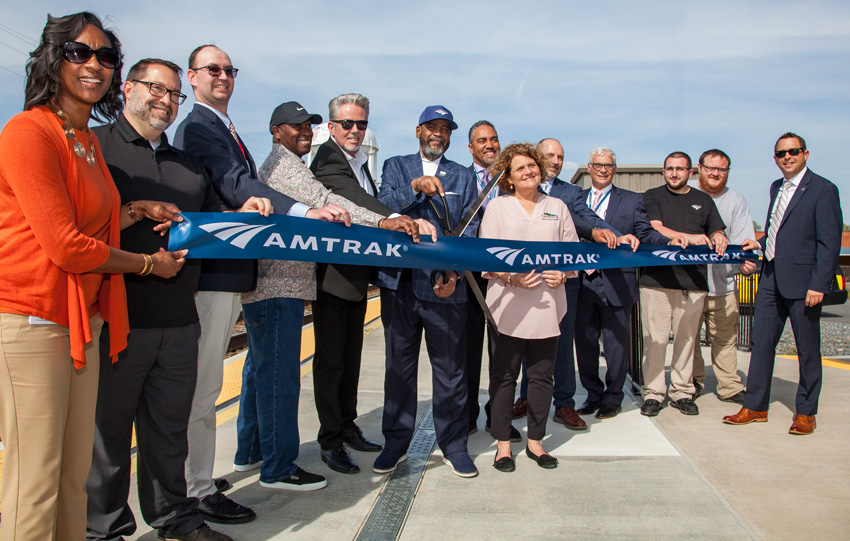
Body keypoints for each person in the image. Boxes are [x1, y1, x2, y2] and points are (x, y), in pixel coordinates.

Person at [0, 12, 183, 540]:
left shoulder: (81, 139)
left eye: (106, 56)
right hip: (33, 319)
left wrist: (135, 209)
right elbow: (66, 245)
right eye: (80, 52)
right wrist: (150, 264)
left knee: (71, 478)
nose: (94, 65)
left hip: (82, 321)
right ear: (54, 59)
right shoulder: (28, 132)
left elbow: (89, 221)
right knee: (34, 484)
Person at [86, 59, 269, 541]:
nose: (164, 101)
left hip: (179, 318)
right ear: (128, 88)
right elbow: (76, 226)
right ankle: (102, 529)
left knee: (168, 430)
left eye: (172, 96)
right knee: (106, 436)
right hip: (114, 318)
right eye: (155, 89)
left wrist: (242, 209)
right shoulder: (93, 147)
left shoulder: (186, 164)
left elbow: (214, 220)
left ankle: (175, 519)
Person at [173, 45, 350, 502]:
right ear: (191, 77)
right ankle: (273, 465)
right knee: (260, 377)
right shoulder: (200, 127)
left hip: (242, 277)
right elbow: (234, 182)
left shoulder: (222, 128)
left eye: (229, 70)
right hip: (248, 277)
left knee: (252, 372)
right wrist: (308, 211)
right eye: (212, 70)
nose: (223, 77)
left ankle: (246, 453)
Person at [236, 101, 421, 489]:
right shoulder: (288, 166)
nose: (305, 131)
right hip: (288, 281)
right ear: (276, 131)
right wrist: (387, 221)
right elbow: (330, 203)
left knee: (261, 370)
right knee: (285, 375)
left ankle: (251, 450)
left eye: (308, 125)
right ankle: (293, 457)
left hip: (305, 280)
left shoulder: (300, 164)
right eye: (296, 126)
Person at [309, 93, 434, 474]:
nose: (355, 130)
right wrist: (393, 218)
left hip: (356, 277)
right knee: (331, 361)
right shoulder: (328, 160)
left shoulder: (359, 161)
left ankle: (347, 427)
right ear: (331, 127)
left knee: (350, 358)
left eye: (361, 124)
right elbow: (355, 199)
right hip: (333, 276)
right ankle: (330, 440)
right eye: (347, 124)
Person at [373, 105, 479, 478]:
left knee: (451, 370)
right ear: (418, 130)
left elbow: (471, 227)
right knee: (398, 369)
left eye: (445, 129)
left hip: (445, 286)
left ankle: (453, 444)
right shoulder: (395, 166)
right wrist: (414, 188)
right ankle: (395, 444)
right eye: (431, 127)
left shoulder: (464, 176)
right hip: (399, 284)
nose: (438, 133)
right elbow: (380, 208)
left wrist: (454, 271)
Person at [724, 133, 842, 435]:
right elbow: (782, 230)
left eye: (793, 151)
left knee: (807, 349)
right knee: (760, 344)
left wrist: (819, 284)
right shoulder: (777, 187)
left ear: (805, 154)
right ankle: (755, 406)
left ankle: (805, 412)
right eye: (780, 153)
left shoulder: (823, 189)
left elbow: (829, 244)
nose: (786, 157)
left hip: (804, 284)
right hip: (770, 277)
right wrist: (759, 241)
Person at [480, 143, 578, 473]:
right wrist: (512, 278)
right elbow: (486, 257)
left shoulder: (558, 206)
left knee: (541, 378)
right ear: (507, 176)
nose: (528, 171)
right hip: (507, 304)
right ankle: (503, 446)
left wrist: (563, 272)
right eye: (520, 168)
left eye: (532, 165)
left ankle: (536, 441)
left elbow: (573, 254)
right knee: (504, 377)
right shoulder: (497, 208)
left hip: (546, 304)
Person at [515, 138, 621, 432]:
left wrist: (602, 229)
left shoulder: (571, 192)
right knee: (524, 339)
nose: (556, 161)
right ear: (537, 156)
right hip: (524, 279)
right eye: (550, 155)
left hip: (562, 280)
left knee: (561, 344)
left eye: (561, 157)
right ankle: (525, 397)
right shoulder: (517, 186)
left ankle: (564, 404)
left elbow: (582, 217)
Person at [573, 147, 678, 420]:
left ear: (615, 169)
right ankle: (593, 395)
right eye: (598, 164)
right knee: (584, 344)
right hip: (582, 282)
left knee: (616, 345)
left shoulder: (632, 200)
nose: (603, 169)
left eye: (608, 165)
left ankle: (613, 397)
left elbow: (644, 232)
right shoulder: (577, 199)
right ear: (589, 167)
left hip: (618, 280)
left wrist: (668, 243)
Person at [640, 152, 727, 417]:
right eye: (670, 169)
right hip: (656, 281)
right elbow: (655, 228)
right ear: (663, 171)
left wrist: (719, 236)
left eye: (680, 169)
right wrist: (689, 237)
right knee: (654, 340)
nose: (674, 173)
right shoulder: (652, 196)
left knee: (687, 341)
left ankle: (682, 392)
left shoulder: (704, 200)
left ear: (691, 171)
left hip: (693, 282)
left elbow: (715, 230)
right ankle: (654, 393)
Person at [690, 149, 756, 404]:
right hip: (690, 285)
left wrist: (744, 264)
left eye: (722, 169)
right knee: (689, 340)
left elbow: (743, 243)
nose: (716, 173)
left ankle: (729, 386)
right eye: (711, 168)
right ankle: (693, 383)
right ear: (699, 168)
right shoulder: (686, 193)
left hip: (724, 285)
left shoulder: (736, 201)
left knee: (725, 340)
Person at [465, 120, 501, 435]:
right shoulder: (459, 177)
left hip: (505, 275)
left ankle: (498, 417)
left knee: (502, 350)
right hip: (468, 275)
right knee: (467, 347)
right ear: (471, 148)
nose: (489, 145)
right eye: (481, 141)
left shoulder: (512, 179)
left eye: (493, 139)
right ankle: (466, 415)